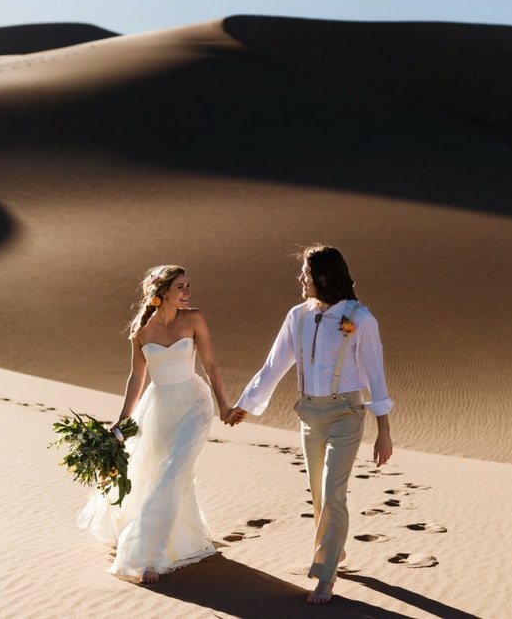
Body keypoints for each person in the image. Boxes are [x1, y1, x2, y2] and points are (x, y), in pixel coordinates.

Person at [227, 244, 393, 605]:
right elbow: (274, 366)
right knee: (318, 493)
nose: (300, 278)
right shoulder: (297, 316)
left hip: (346, 414)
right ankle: (336, 551)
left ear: (322, 277)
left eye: (305, 272)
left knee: (334, 493)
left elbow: (375, 376)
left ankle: (325, 574)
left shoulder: (360, 319)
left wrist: (384, 430)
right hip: (308, 415)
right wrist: (246, 404)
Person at [77, 264, 232, 583]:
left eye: (188, 286)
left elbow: (211, 365)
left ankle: (149, 554)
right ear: (161, 293)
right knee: (159, 473)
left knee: (172, 469)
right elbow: (137, 376)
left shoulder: (194, 319)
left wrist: (224, 405)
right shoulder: (141, 331)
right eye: (180, 287)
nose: (187, 292)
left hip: (194, 404)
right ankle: (182, 535)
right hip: (157, 408)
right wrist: (121, 420)